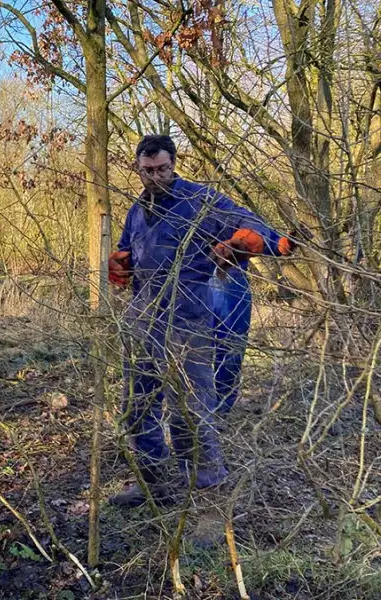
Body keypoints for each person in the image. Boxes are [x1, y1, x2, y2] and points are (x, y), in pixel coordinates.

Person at [107, 135, 294, 536]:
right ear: (137, 169)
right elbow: (126, 252)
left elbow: (253, 226)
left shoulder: (200, 202)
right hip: (142, 320)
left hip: (187, 322)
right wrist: (120, 264)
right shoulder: (137, 211)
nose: (155, 177)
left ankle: (209, 507)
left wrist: (264, 241)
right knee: (138, 405)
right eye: (147, 170)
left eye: (162, 169)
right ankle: (154, 485)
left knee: (191, 413)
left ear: (174, 164)